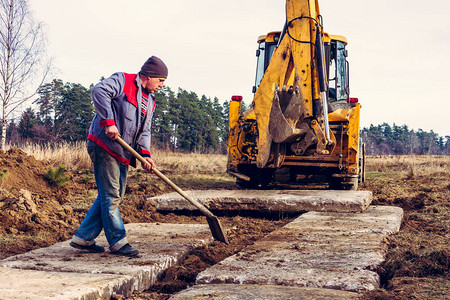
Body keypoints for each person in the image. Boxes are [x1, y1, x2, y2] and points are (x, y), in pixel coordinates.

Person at [70, 56, 168, 256]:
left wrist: (145, 154)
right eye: (161, 81)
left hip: (122, 151)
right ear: (149, 76)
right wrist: (108, 121)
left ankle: (84, 238)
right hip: (104, 145)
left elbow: (145, 130)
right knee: (112, 194)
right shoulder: (123, 80)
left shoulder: (150, 102)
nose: (162, 85)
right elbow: (99, 91)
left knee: (112, 194)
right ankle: (118, 242)